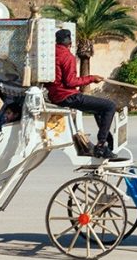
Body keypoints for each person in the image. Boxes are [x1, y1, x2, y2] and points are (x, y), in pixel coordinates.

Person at [47, 29, 127, 161]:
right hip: (68, 96)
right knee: (109, 106)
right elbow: (70, 82)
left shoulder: (51, 54)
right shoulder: (67, 56)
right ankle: (101, 146)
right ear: (70, 42)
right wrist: (91, 78)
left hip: (55, 96)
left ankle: (108, 142)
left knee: (98, 108)